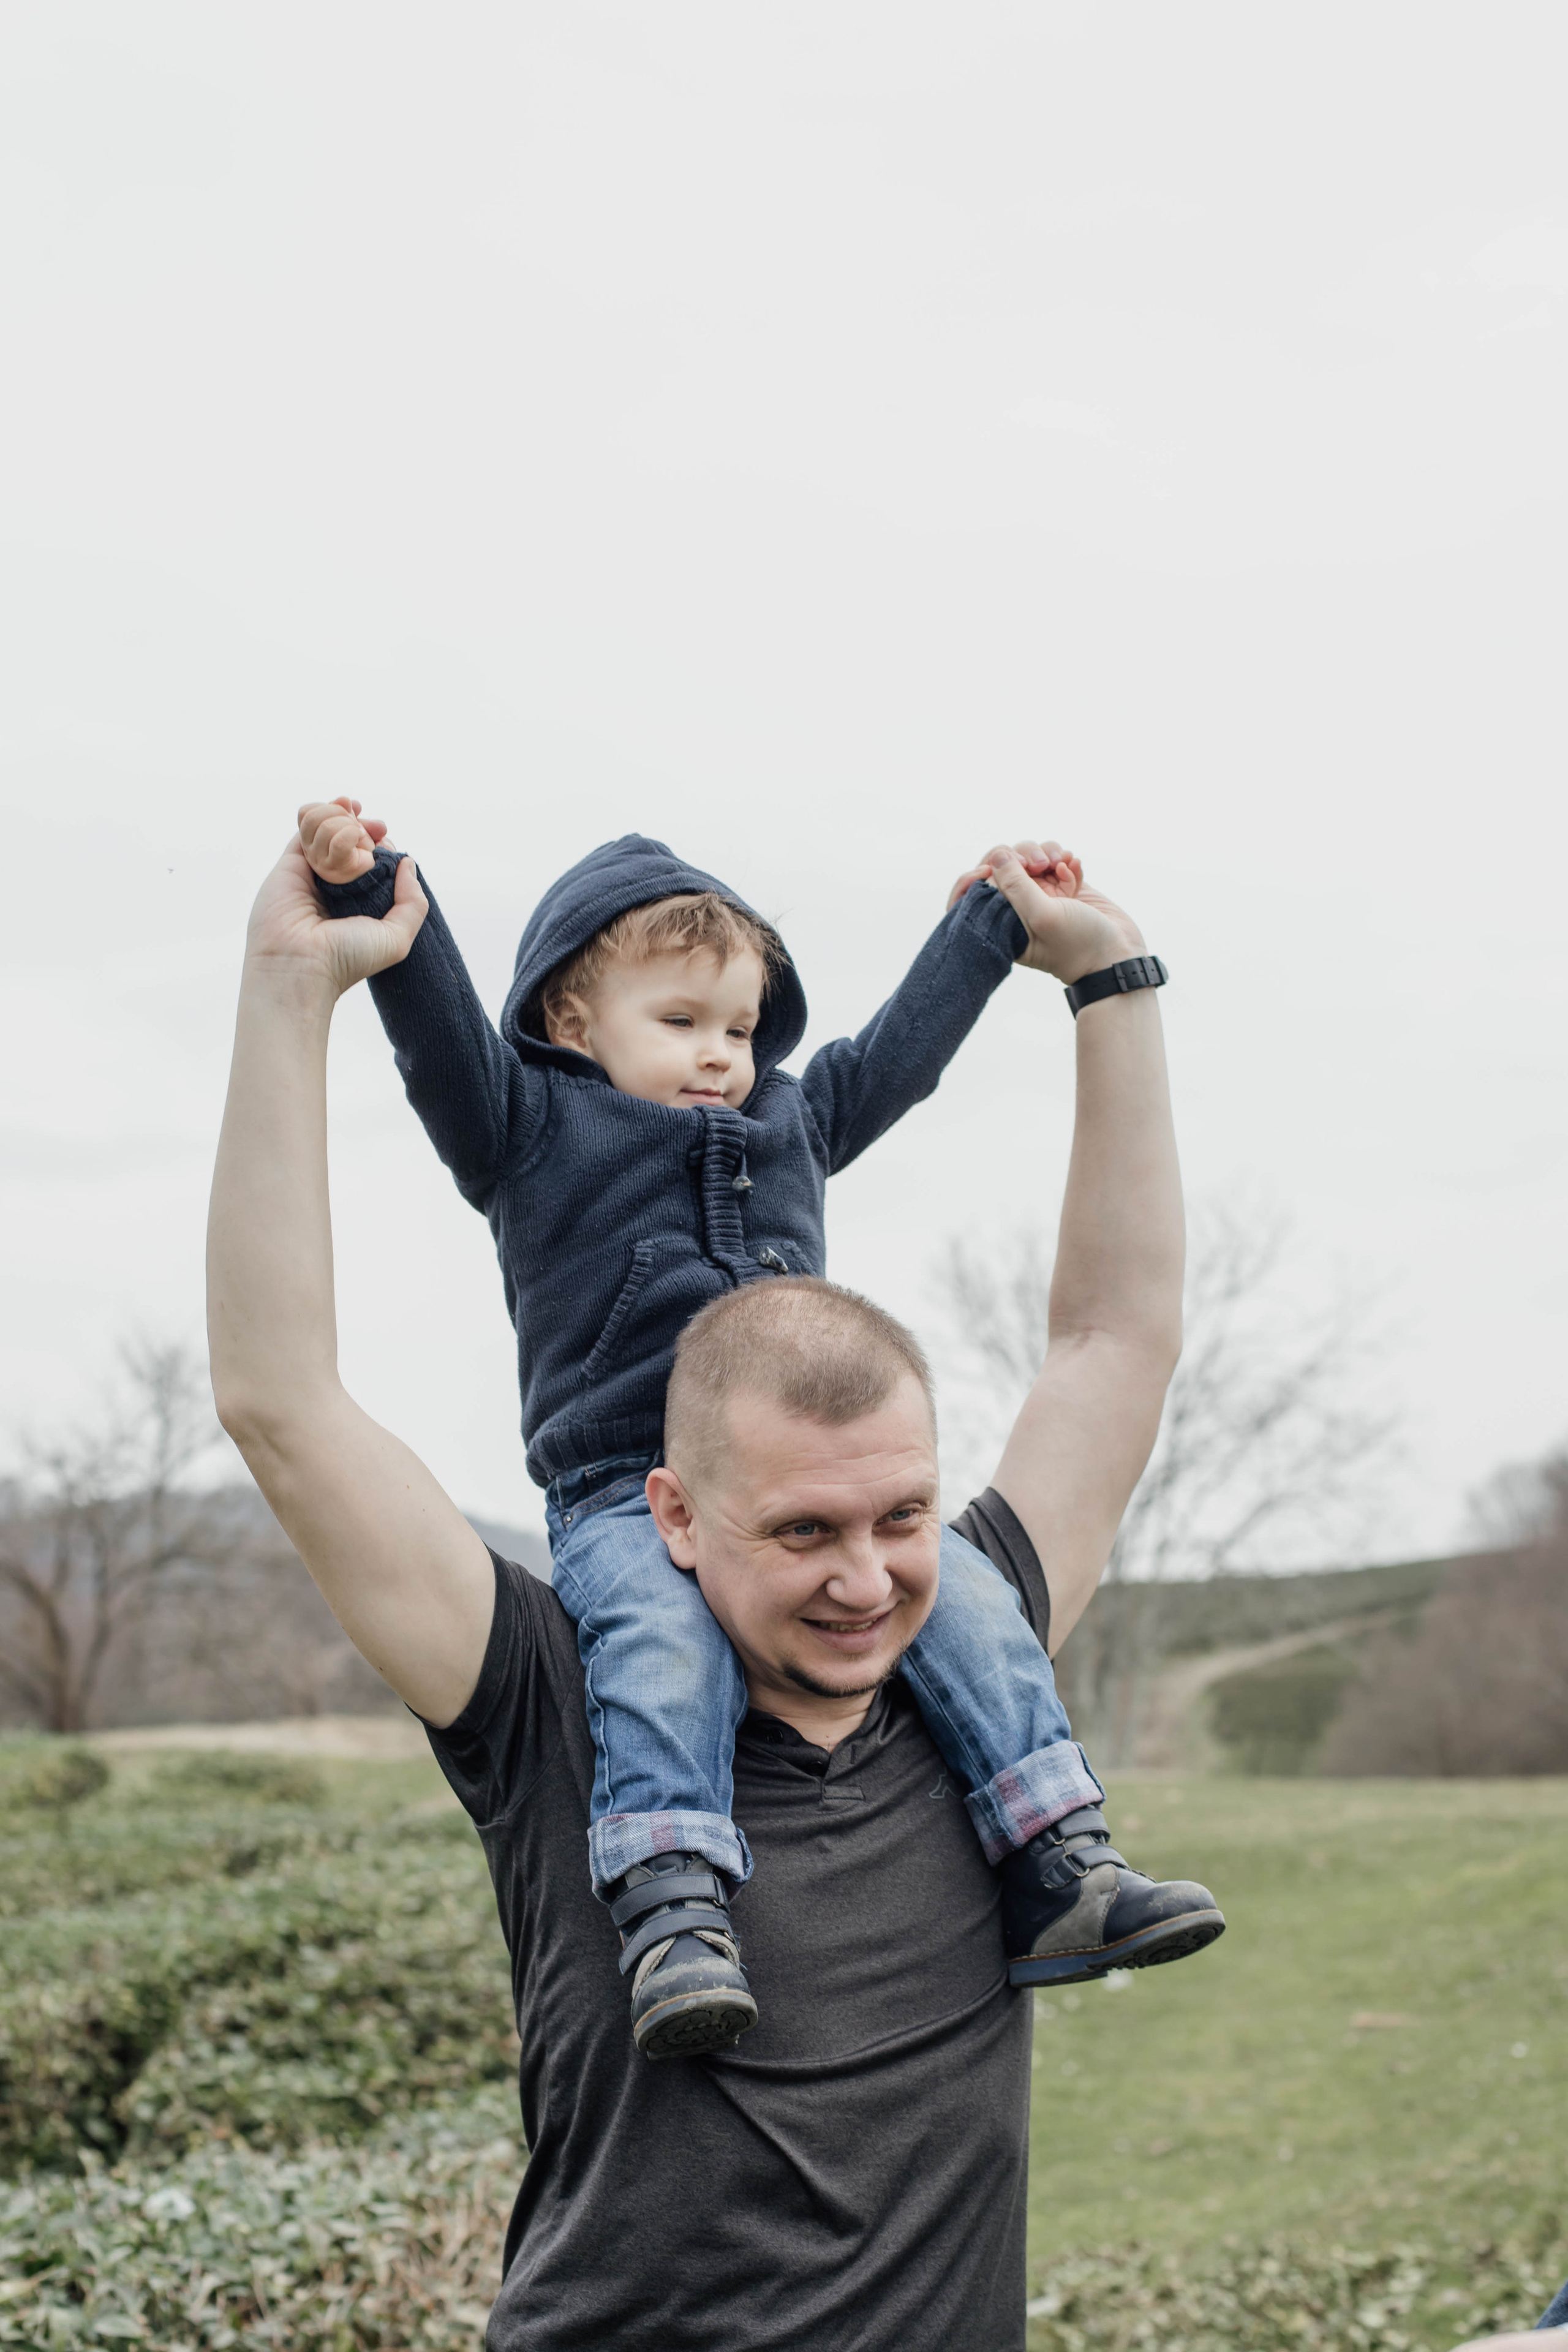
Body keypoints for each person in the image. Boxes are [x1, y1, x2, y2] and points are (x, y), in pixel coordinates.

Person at [207, 821, 1192, 2350]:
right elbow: (281, 1399)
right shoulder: (548, 1686)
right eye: (801, 1534)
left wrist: (1106, 977)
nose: (867, 1581)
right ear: (675, 1514)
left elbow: (1111, 1341)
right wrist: (292, 986)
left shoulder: (964, 1627)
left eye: (900, 1517)